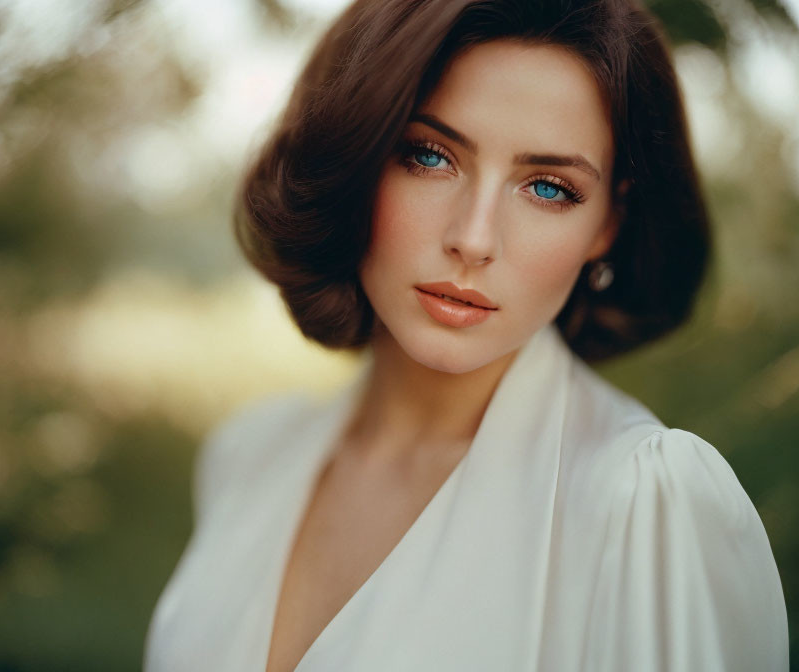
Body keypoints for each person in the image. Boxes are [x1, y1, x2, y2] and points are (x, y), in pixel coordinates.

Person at [144, 0, 789, 670]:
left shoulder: (646, 505)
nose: (473, 239)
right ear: (356, 160)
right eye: (428, 156)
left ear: (607, 225)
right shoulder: (250, 456)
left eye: (547, 188)